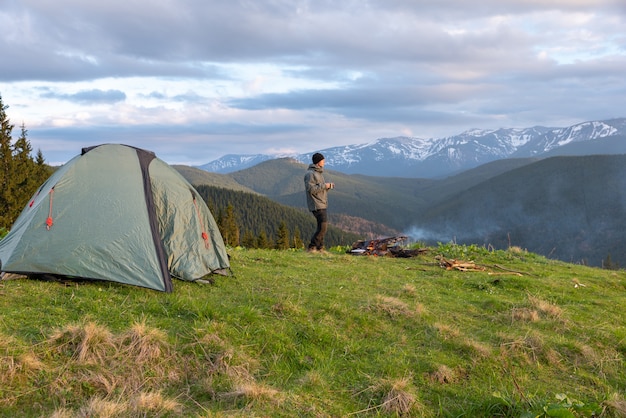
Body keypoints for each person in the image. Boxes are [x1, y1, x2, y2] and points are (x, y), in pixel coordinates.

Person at [304, 152, 334, 252]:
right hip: (316, 204)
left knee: (321, 227)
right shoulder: (310, 174)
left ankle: (319, 248)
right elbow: (311, 189)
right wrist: (325, 186)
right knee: (323, 227)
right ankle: (312, 246)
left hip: (321, 203)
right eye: (323, 161)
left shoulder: (318, 173)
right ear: (318, 162)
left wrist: (328, 186)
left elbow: (318, 189)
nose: (324, 162)